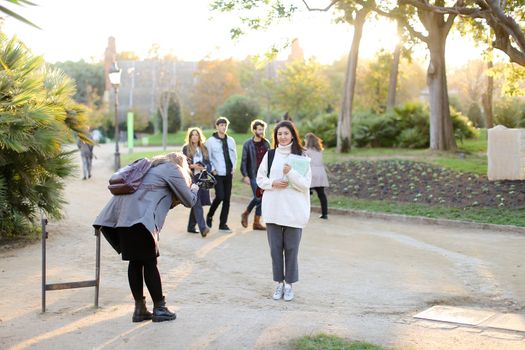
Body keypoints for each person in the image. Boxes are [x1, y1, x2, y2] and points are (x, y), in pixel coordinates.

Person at [93, 153, 198, 323]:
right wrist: (195, 188)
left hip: (119, 219)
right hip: (140, 221)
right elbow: (190, 201)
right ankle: (160, 308)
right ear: (180, 164)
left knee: (135, 263)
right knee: (149, 263)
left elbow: (158, 198)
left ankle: (140, 310)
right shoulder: (173, 168)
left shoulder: (150, 168)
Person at [256, 120, 311, 302]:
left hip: (294, 211)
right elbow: (260, 178)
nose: (283, 136)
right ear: (276, 136)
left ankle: (289, 285)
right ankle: (279, 283)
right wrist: (273, 183)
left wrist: (291, 172)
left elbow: (305, 184)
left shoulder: (301, 156)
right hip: (273, 209)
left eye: (286, 133)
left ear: (293, 135)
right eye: (280, 134)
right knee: (275, 249)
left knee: (292, 249)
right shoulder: (270, 155)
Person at [205, 117, 237, 233]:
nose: (223, 127)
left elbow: (234, 155)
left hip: (229, 173)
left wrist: (233, 167)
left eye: (225, 125)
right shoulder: (210, 141)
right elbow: (207, 157)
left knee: (227, 199)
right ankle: (209, 215)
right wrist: (212, 169)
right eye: (221, 125)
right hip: (217, 173)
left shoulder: (231, 140)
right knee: (220, 196)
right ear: (217, 126)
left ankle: (223, 224)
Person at [240, 119, 271, 230]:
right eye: (259, 129)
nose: (261, 131)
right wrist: (245, 175)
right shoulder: (248, 144)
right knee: (259, 197)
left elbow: (270, 160)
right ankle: (247, 214)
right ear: (254, 130)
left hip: (264, 175)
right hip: (253, 175)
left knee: (261, 197)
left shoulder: (266, 143)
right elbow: (243, 160)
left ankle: (255, 222)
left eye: (262, 129)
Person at [182, 127, 211, 237]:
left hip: (202, 178)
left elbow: (208, 163)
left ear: (199, 137)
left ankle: (191, 226)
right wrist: (192, 166)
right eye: (192, 135)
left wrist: (204, 167)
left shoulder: (203, 148)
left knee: (197, 202)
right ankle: (203, 228)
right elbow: (182, 164)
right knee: (196, 201)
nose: (194, 136)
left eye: (196, 135)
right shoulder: (186, 148)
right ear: (189, 137)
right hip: (191, 178)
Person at [304, 133, 329, 219]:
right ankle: (325, 214)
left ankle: (304, 213)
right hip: (320, 173)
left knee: (305, 194)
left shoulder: (306, 151)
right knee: (321, 194)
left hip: (311, 172)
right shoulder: (319, 150)